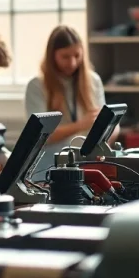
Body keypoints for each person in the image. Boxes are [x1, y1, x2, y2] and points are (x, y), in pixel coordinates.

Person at [24, 25, 113, 173]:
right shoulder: (36, 85)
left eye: (77, 56)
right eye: (65, 57)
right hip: (47, 169)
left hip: (86, 165)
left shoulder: (93, 81)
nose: (72, 63)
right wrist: (80, 125)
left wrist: (109, 130)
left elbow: (107, 125)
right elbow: (39, 136)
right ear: (52, 56)